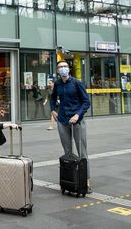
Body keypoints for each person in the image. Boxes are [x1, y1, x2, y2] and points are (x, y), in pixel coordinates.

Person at [50, 60, 91, 189]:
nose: (63, 69)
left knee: (82, 152)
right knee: (67, 152)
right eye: (60, 67)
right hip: (62, 120)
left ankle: (86, 181)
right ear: (57, 71)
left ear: (69, 69)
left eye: (65, 66)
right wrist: (52, 110)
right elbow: (53, 97)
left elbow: (86, 102)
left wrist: (78, 115)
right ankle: (70, 179)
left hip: (77, 121)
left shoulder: (76, 83)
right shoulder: (57, 84)